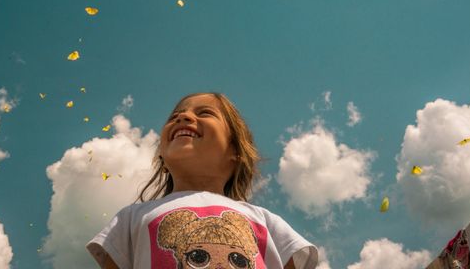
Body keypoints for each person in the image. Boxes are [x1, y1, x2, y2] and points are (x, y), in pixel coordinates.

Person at [87, 92, 318, 269]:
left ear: (235, 151)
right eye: (174, 117)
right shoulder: (131, 218)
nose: (183, 117)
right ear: (162, 159)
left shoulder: (265, 220)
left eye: (205, 113)